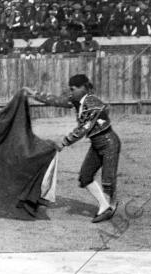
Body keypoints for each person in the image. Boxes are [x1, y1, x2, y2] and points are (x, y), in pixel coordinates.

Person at [25, 74, 120, 223]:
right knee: (85, 177)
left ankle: (109, 206)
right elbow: (56, 100)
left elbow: (84, 128)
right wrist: (34, 94)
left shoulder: (93, 102)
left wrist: (64, 143)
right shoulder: (78, 100)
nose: (70, 93)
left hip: (109, 144)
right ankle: (106, 206)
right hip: (97, 144)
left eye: (73, 89)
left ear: (83, 88)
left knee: (108, 180)